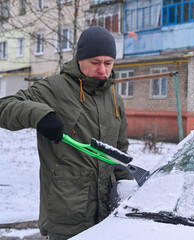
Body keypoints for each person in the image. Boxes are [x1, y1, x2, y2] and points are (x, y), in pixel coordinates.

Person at [0, 26, 132, 240]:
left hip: (106, 214)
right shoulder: (55, 88)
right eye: (95, 62)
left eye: (108, 63)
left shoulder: (115, 99)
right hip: (66, 213)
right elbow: (5, 107)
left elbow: (119, 154)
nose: (103, 71)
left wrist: (127, 192)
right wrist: (40, 114)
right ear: (80, 59)